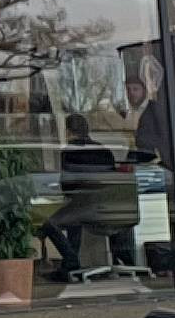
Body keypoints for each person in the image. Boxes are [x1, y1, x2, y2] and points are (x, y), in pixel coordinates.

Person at [42, 113, 132, 279]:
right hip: (108, 210)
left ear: (68, 131)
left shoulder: (69, 152)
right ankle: (72, 265)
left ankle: (71, 261)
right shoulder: (105, 151)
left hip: (85, 209)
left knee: (49, 222)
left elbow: (67, 187)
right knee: (74, 214)